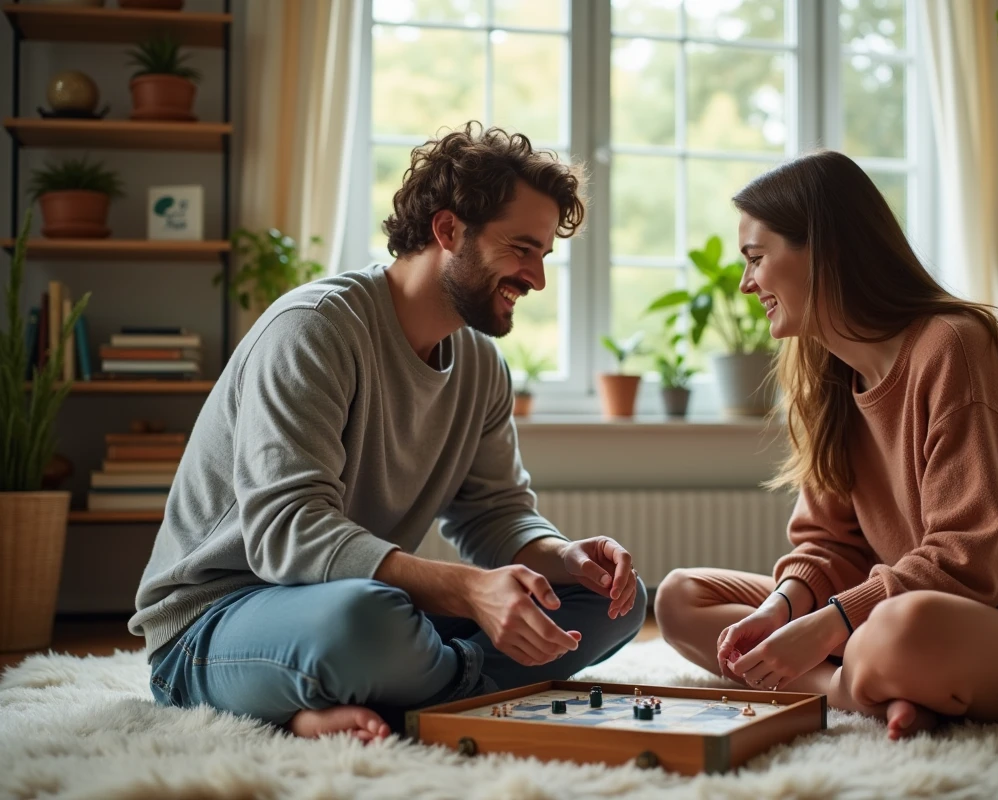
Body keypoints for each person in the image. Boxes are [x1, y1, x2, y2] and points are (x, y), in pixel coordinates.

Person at [130, 123, 647, 742]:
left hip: (359, 604)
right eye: (522, 248)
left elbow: (495, 515)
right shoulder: (314, 330)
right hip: (219, 618)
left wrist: (564, 558)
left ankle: (400, 691)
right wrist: (466, 590)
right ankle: (444, 691)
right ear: (449, 230)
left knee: (617, 604)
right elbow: (287, 531)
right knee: (368, 621)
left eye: (543, 256)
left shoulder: (482, 366)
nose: (536, 278)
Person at [654, 150, 998, 740]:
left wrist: (830, 626)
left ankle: (849, 685)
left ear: (825, 252)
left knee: (896, 632)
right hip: (921, 610)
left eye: (757, 258)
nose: (747, 281)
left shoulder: (957, 348)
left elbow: (972, 558)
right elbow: (830, 542)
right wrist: (780, 610)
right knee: (681, 598)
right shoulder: (826, 374)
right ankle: (873, 686)